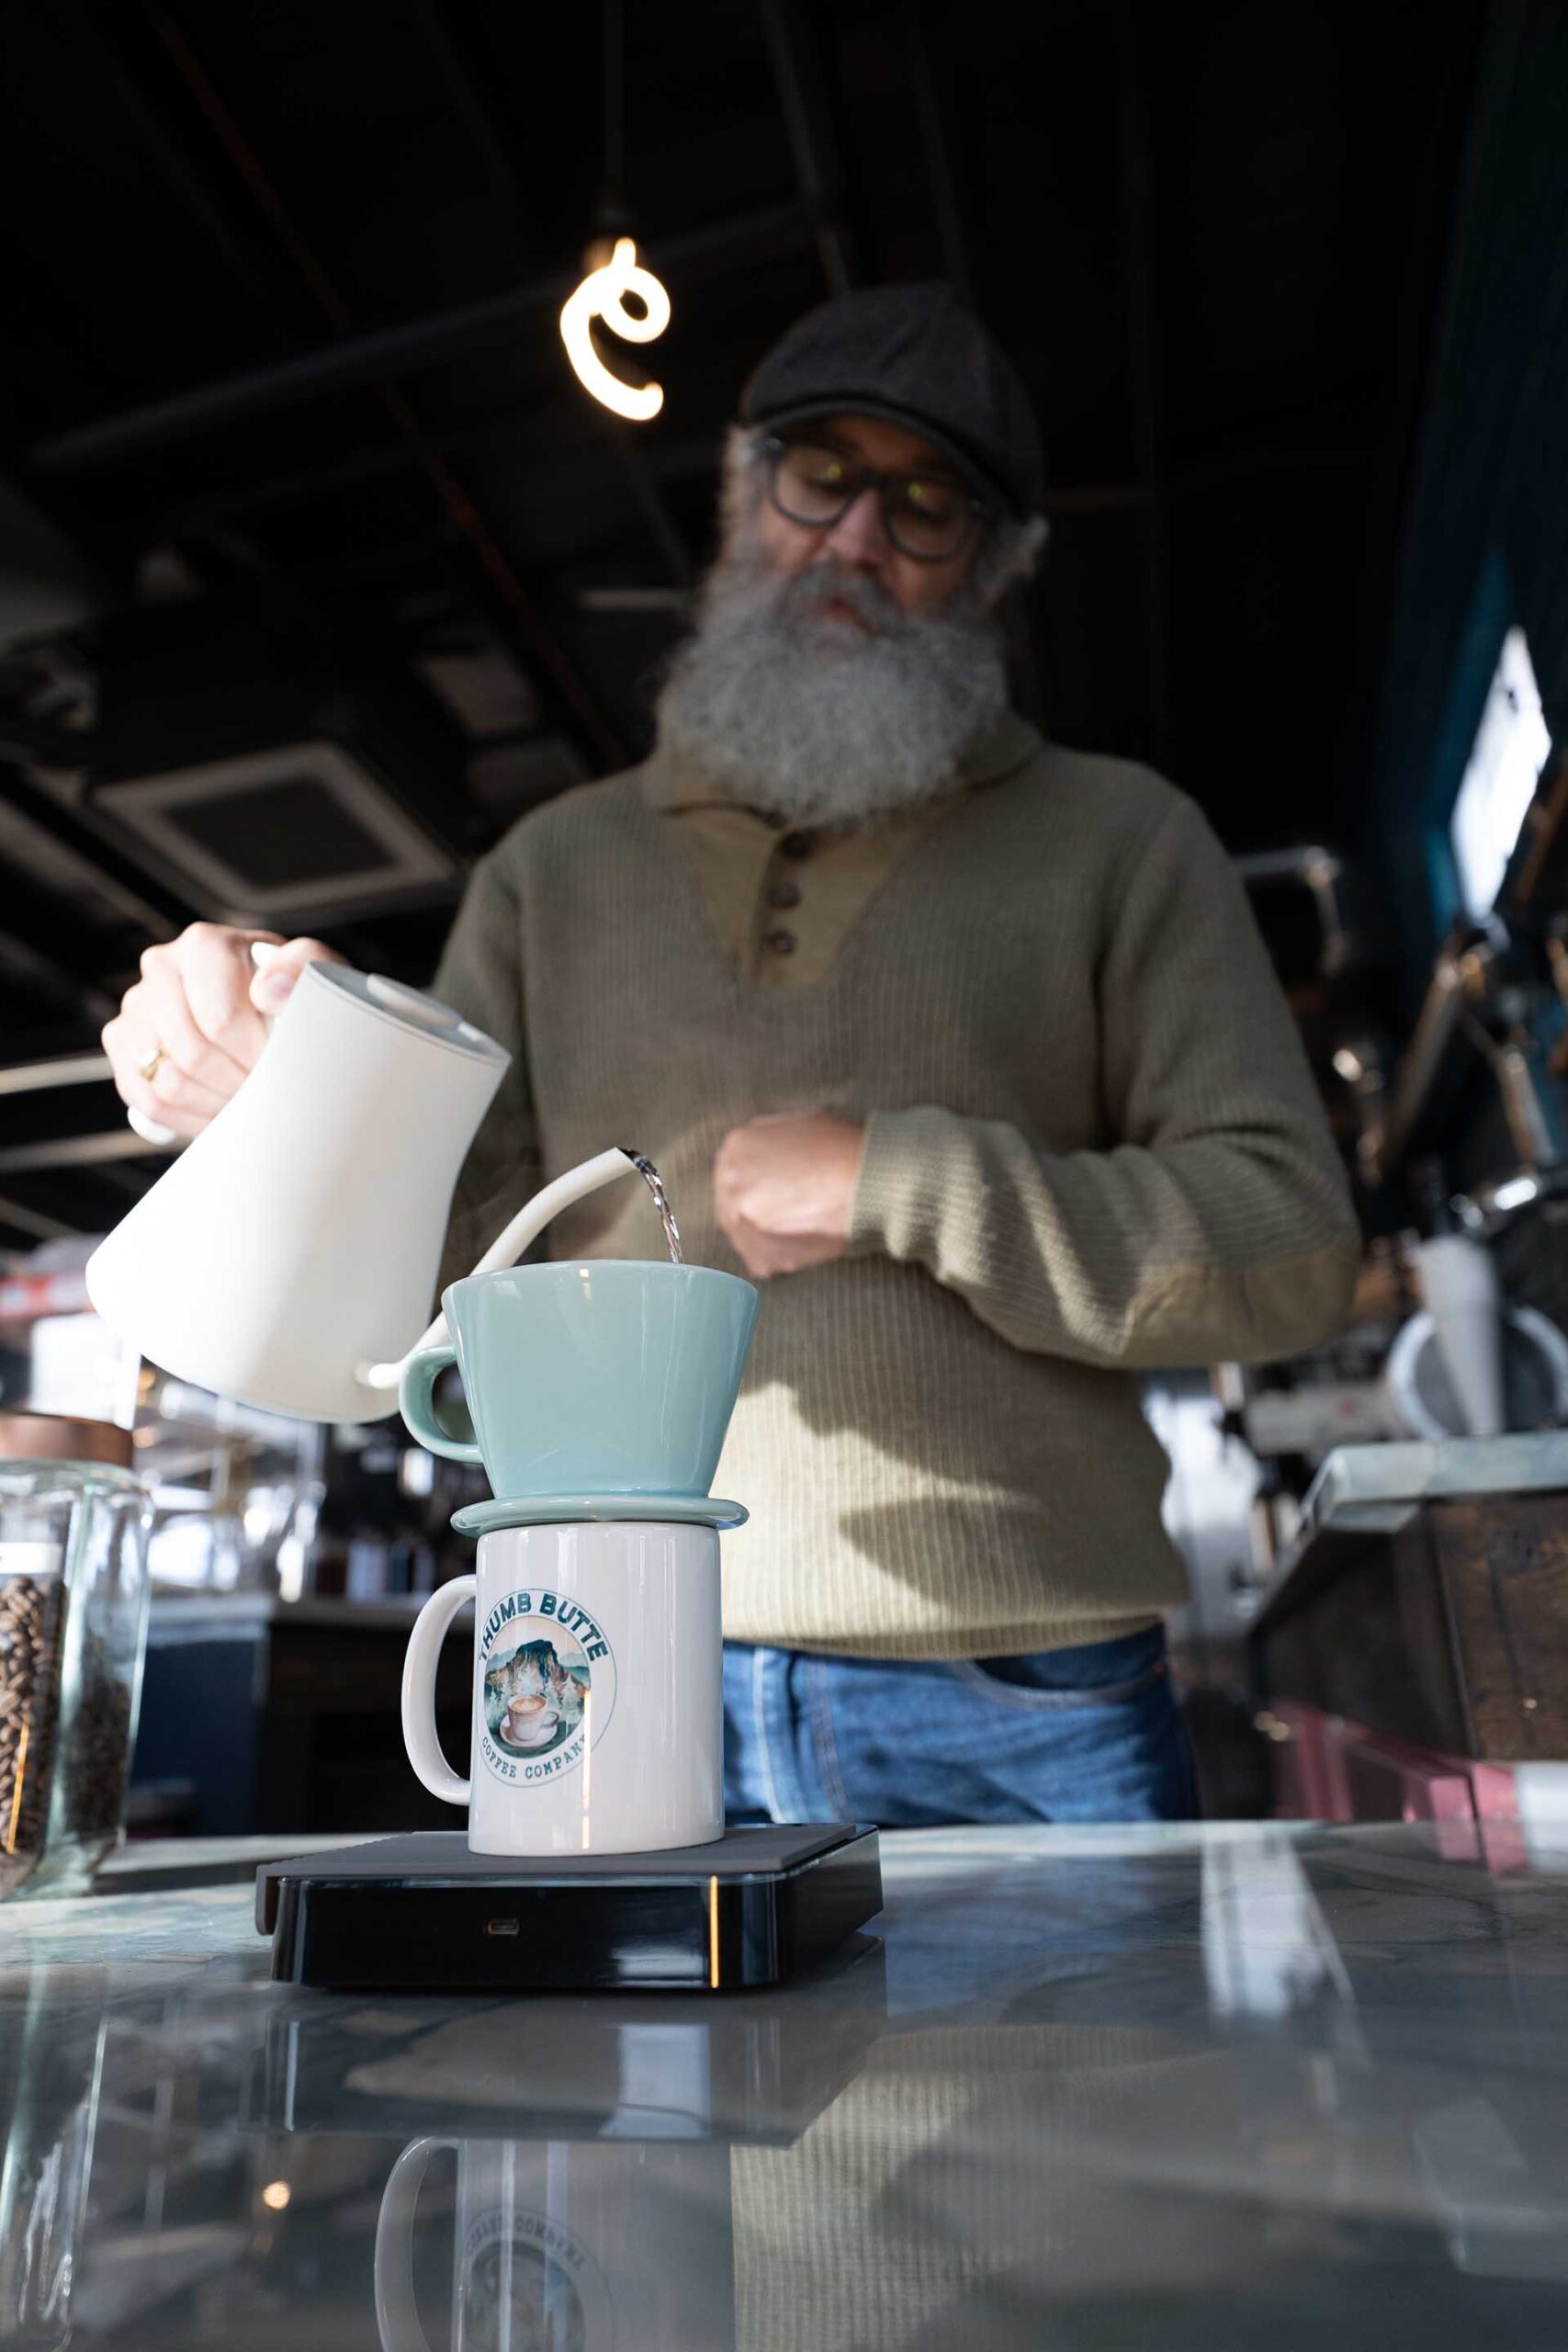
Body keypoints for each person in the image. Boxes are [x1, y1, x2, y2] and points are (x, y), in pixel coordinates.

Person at [103, 284, 1359, 1826]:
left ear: (1002, 567)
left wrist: (900, 1177)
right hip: (594, 1643)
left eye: (927, 505)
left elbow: (1290, 1242)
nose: (857, 539)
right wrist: (280, 1102)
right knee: (636, 2079)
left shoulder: (1125, 840)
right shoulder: (546, 872)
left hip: (1016, 1686)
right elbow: (427, 1294)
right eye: (820, 475)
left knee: (1056, 2078)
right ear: (738, 492)